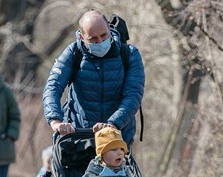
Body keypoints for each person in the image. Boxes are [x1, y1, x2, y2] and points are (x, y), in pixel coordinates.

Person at [42, 10, 145, 146]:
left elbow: (133, 95)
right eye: (93, 39)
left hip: (117, 139)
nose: (100, 41)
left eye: (104, 35)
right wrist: (55, 120)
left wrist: (112, 124)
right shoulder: (73, 53)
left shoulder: (130, 54)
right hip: (78, 138)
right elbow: (53, 86)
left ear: (109, 27)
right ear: (82, 36)